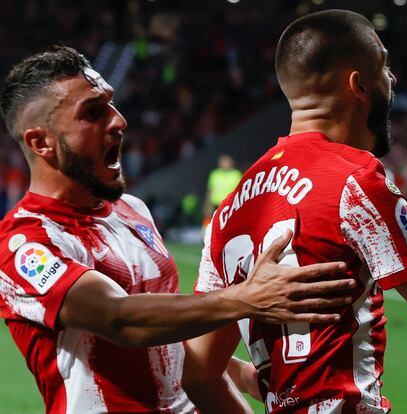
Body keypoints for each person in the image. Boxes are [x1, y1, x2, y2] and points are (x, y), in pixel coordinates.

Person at [0, 46, 355, 414]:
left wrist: (241, 374)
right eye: (92, 113)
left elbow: (163, 338)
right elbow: (119, 319)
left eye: (110, 103)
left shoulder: (132, 211)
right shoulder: (24, 244)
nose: (118, 120)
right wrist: (246, 297)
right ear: (40, 143)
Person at [183, 9, 407, 414]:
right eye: (384, 67)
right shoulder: (356, 180)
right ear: (358, 85)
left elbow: (200, 373)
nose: (392, 79)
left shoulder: (229, 211)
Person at [203, 154, 243, 227]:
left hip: (230, 204)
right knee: (215, 222)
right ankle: (208, 235)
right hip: (216, 204)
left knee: (229, 223)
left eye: (226, 162)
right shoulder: (215, 174)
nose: (225, 164)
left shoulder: (236, 174)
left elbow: (240, 190)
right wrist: (208, 204)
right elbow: (210, 190)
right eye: (223, 162)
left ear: (231, 163)